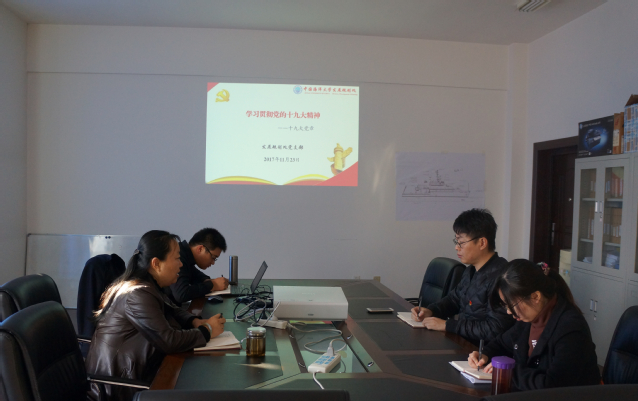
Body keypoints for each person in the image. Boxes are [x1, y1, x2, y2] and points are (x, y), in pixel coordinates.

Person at [85, 230, 226, 401]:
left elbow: (171, 308)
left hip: (136, 374)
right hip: (117, 389)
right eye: (177, 258)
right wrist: (207, 330)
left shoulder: (146, 285)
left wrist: (194, 321)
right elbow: (168, 340)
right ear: (156, 264)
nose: (181, 264)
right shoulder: (136, 294)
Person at [468, 259, 600, 391]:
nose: (509, 311)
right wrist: (484, 355)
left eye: (512, 305)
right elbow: (502, 343)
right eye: (505, 305)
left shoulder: (571, 329)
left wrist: (509, 372)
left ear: (535, 297)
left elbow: (553, 386)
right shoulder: (529, 319)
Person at [411, 208, 514, 344]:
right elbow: (454, 300)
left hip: (482, 351)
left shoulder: (502, 277)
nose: (457, 247)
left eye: (461, 242)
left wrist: (448, 325)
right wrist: (431, 311)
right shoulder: (470, 270)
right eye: (456, 242)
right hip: (462, 342)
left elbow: (494, 329)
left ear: (482, 243)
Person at [166, 228, 229, 305]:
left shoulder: (185, 255)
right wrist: (212, 285)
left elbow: (195, 274)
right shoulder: (179, 257)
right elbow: (181, 294)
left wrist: (207, 280)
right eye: (213, 257)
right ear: (200, 249)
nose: (213, 263)